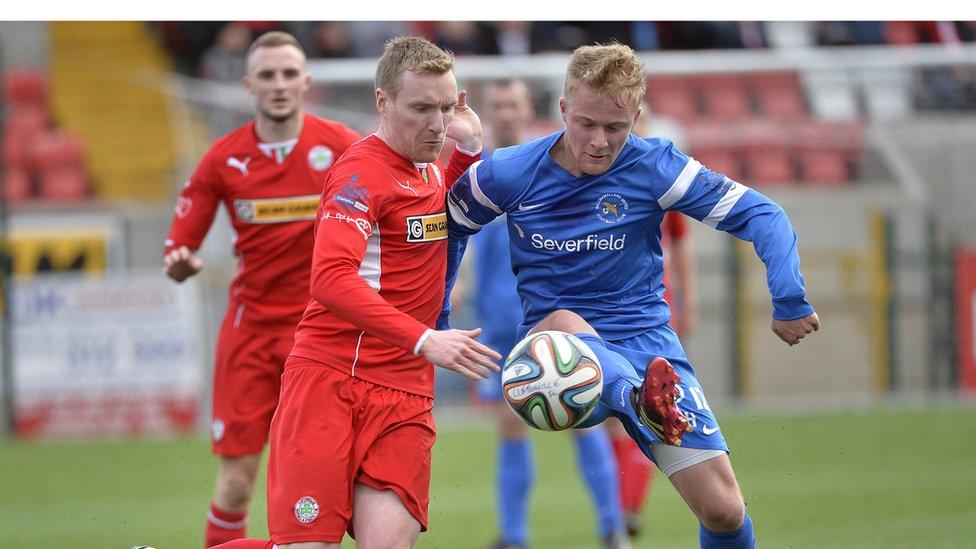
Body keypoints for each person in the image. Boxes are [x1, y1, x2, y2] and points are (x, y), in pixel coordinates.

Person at [443, 43, 820, 549]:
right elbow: (444, 226)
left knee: (724, 510)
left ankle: (640, 409)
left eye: (615, 128)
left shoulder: (656, 166)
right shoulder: (510, 171)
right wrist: (438, 315)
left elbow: (761, 213)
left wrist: (789, 296)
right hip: (553, 351)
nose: (598, 142)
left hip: (648, 347)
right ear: (562, 110)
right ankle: (636, 402)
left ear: (637, 117)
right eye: (586, 124)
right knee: (563, 320)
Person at [214, 36, 502, 549]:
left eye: (444, 107)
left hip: (406, 396)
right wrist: (424, 339)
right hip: (330, 381)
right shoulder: (357, 173)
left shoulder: (431, 164)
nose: (437, 123)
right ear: (383, 103)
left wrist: (471, 150)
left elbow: (444, 216)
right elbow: (329, 279)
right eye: (420, 108)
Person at [162, 31, 362, 548]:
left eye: (289, 73)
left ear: (306, 82)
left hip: (320, 339)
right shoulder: (222, 160)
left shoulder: (341, 146)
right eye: (267, 75)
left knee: (318, 485)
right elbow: (179, 244)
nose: (279, 84)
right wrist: (181, 262)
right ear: (248, 83)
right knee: (234, 484)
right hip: (250, 336)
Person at [463, 79, 629, 549]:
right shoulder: (479, 173)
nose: (504, 111)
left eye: (512, 102)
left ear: (527, 107)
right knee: (510, 424)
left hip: (555, 318)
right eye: (496, 103)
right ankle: (514, 537)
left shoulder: (554, 166)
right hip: (497, 323)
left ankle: (612, 525)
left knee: (581, 414)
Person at [606, 100, 699, 538]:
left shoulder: (663, 176)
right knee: (611, 415)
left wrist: (688, 302)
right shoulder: (592, 170)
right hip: (602, 312)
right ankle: (620, 508)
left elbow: (680, 243)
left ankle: (627, 510)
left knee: (645, 411)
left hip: (651, 313)